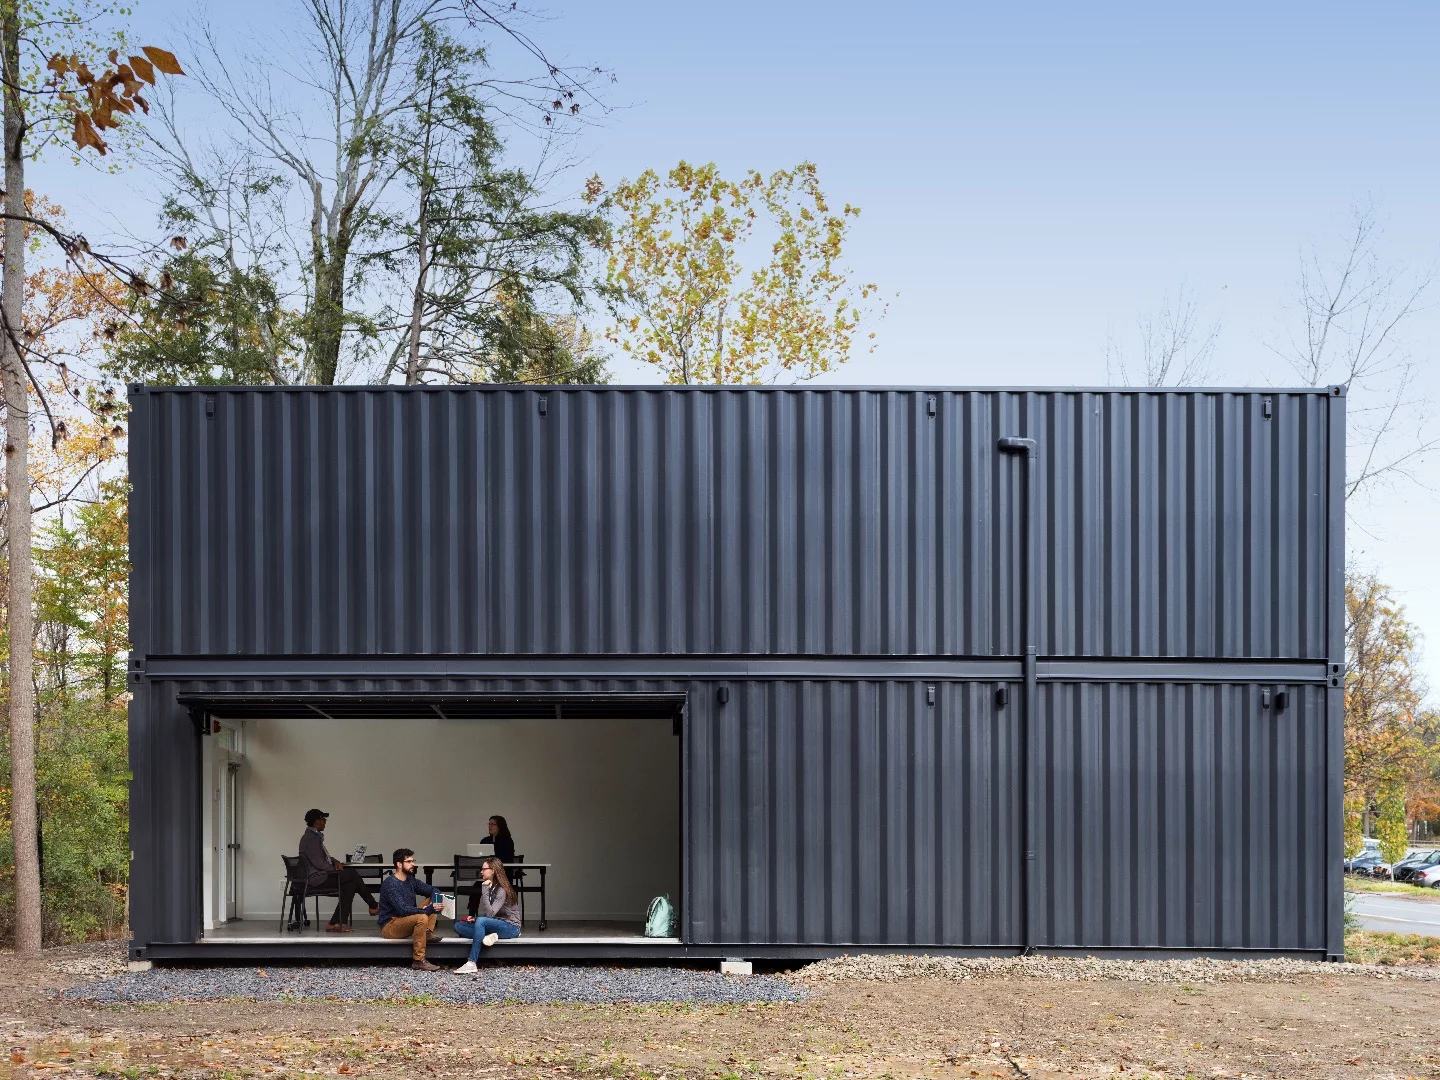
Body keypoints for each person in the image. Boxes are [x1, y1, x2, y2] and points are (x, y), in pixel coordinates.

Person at [297, 808, 378, 931]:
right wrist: (335, 869)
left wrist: (335, 862)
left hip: (320, 876)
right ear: (317, 822)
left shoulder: (313, 837)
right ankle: (373, 905)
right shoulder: (311, 838)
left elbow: (323, 857)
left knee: (350, 885)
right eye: (324, 820)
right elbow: (320, 863)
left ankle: (335, 923)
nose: (325, 823)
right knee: (351, 873)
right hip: (317, 879)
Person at [377, 848, 446, 971]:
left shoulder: (410, 880)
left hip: (406, 918)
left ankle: (427, 933)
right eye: (409, 861)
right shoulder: (391, 884)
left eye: (413, 861)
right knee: (423, 916)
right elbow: (402, 910)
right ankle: (418, 960)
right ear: (399, 864)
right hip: (391, 925)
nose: (413, 864)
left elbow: (433, 890)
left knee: (433, 898)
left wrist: (434, 902)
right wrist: (428, 909)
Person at [453, 857, 522, 973]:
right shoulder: (492, 886)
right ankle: (484, 937)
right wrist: (475, 919)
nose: (481, 872)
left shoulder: (502, 890)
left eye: (484, 869)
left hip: (511, 927)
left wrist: (484, 888)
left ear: (493, 870)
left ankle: (471, 962)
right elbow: (489, 914)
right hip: (496, 924)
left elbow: (489, 915)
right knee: (458, 925)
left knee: (481, 921)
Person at [467, 815, 516, 917]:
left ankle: (500, 916)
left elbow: (507, 860)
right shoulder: (485, 841)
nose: (490, 826)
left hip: (503, 876)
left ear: (500, 826)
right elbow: (480, 860)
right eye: (489, 824)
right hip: (488, 875)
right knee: (477, 887)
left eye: (493, 824)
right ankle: (471, 915)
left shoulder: (507, 841)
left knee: (487, 886)